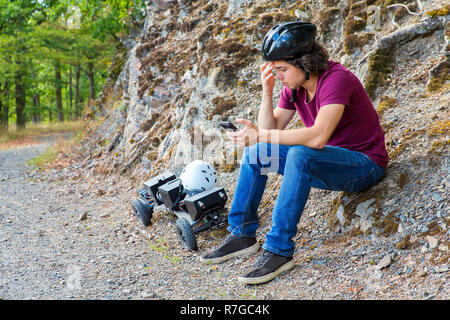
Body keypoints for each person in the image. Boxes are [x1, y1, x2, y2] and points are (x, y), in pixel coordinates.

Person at [201, 21, 389, 285]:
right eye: (275, 70)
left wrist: (261, 135)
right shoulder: (294, 88)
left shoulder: (337, 80)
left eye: (282, 69)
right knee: (258, 152)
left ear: (305, 62)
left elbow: (318, 135)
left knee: (301, 153)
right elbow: (270, 134)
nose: (278, 75)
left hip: (364, 165)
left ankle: (279, 250)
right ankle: (242, 234)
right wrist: (267, 94)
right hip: (328, 162)